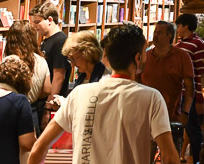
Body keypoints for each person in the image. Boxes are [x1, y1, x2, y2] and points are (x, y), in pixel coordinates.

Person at [28, 23, 180, 164]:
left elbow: (39, 148)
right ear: (137, 58)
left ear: (106, 57)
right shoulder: (152, 98)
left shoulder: (79, 93)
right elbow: (170, 158)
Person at [140, 21, 194, 150]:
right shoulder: (146, 56)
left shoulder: (182, 56)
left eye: (160, 32)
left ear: (169, 36)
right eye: (155, 32)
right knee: (146, 156)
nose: (155, 35)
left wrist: (185, 112)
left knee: (171, 154)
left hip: (171, 116)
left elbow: (189, 87)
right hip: (146, 115)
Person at [4, 20, 51, 134]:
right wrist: (33, 94)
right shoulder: (41, 61)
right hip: (31, 111)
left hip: (9, 111)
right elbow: (47, 89)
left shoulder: (9, 61)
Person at [174, 13, 204, 164]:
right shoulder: (180, 44)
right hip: (179, 94)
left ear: (186, 26)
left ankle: (197, 159)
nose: (177, 29)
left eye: (179, 26)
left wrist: (200, 98)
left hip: (191, 95)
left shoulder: (198, 44)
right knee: (182, 128)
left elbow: (201, 73)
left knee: (193, 130)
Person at [30, 2, 70, 112]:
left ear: (50, 20)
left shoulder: (59, 41)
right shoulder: (47, 40)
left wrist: (48, 106)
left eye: (37, 22)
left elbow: (59, 77)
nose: (34, 26)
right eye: (33, 22)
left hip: (51, 103)